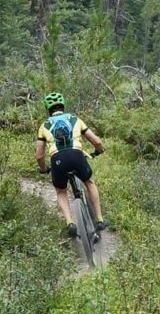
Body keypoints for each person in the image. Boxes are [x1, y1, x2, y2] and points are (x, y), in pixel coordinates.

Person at [34, 94, 108, 238]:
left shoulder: (44, 126)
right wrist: (99, 151)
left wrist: (43, 169)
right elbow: (97, 142)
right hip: (77, 156)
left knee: (61, 191)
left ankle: (70, 223)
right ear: (63, 106)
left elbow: (39, 155)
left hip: (58, 160)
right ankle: (99, 219)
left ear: (48, 109)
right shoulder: (75, 119)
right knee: (89, 182)